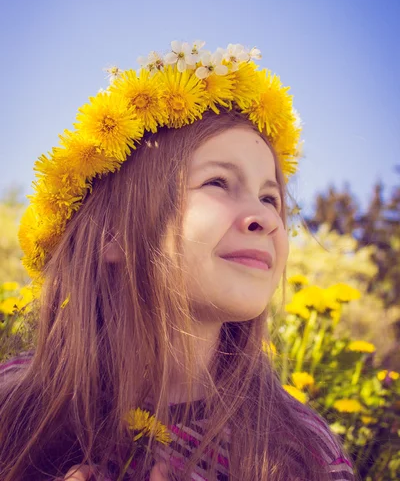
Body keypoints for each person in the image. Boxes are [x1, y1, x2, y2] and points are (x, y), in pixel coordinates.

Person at [0, 41, 355, 481]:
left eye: (270, 197)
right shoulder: (13, 407)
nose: (266, 216)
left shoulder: (303, 452)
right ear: (112, 234)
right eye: (218, 183)